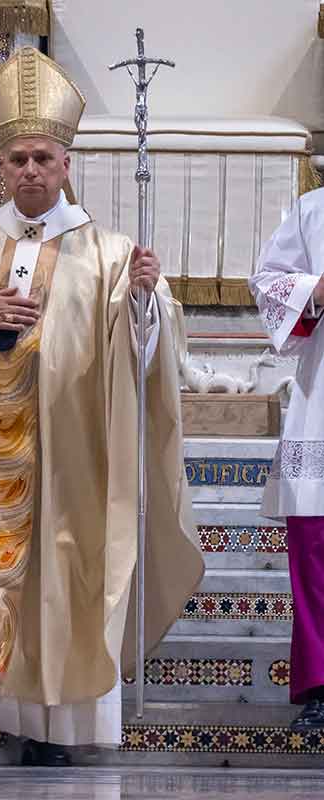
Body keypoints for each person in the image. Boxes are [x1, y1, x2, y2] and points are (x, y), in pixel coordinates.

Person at [0, 47, 203, 766]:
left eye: (43, 158)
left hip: (69, 458)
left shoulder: (110, 253)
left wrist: (146, 301)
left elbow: (146, 356)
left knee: (64, 579)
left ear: (67, 164)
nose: (30, 170)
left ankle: (54, 728)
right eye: (17, 159)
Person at [250, 188, 324, 732]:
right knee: (317, 550)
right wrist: (313, 291)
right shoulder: (313, 210)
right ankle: (322, 683)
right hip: (322, 398)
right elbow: (268, 280)